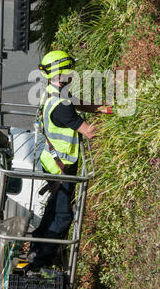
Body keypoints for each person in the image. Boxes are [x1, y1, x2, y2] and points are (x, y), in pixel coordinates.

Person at [28, 50, 111, 268]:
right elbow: (91, 132)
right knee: (63, 217)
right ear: (62, 74)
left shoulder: (52, 93)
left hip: (53, 162)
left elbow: (77, 103)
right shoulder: (61, 107)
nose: (74, 75)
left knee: (54, 210)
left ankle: (36, 247)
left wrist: (103, 108)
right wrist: (115, 129)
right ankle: (40, 261)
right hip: (61, 168)